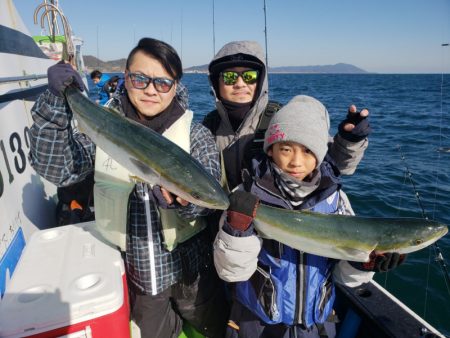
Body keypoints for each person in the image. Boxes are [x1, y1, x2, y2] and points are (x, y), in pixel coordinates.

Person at [29, 38, 228, 338]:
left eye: (162, 82)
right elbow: (59, 168)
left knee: (210, 330)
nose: (150, 89)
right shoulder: (103, 124)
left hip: (193, 274)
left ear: (175, 86)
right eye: (140, 79)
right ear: (125, 77)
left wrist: (185, 203)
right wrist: (56, 101)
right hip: (140, 278)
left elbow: (207, 188)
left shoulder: (196, 135)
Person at [213, 95, 406, 338]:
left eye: (307, 150)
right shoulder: (246, 197)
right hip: (256, 324)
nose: (296, 161)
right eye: (285, 149)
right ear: (270, 150)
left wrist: (362, 264)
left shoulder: (335, 202)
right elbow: (232, 273)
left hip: (317, 326)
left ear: (321, 153)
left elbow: (344, 278)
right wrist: (237, 232)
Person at [203, 40, 371, 192]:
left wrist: (349, 140)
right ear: (217, 83)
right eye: (230, 77)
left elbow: (337, 164)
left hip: (273, 218)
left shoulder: (282, 119)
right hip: (222, 220)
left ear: (261, 80)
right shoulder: (208, 126)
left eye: (249, 76)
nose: (240, 84)